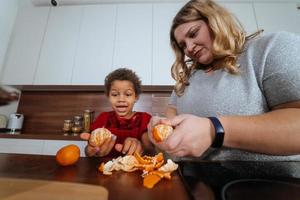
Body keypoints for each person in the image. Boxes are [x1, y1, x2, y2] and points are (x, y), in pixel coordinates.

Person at [148, 0, 300, 161]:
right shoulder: (185, 79)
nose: (189, 48)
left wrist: (215, 130)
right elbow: (171, 121)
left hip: (269, 184)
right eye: (183, 45)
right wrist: (161, 127)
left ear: (215, 21)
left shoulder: (270, 48)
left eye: (193, 34)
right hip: (192, 182)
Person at [80, 68, 153, 157]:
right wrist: (90, 151)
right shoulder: (103, 118)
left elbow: (151, 149)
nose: (121, 99)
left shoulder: (145, 119)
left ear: (136, 97)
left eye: (128, 94)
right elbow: (89, 148)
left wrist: (142, 147)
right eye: (115, 94)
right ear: (108, 96)